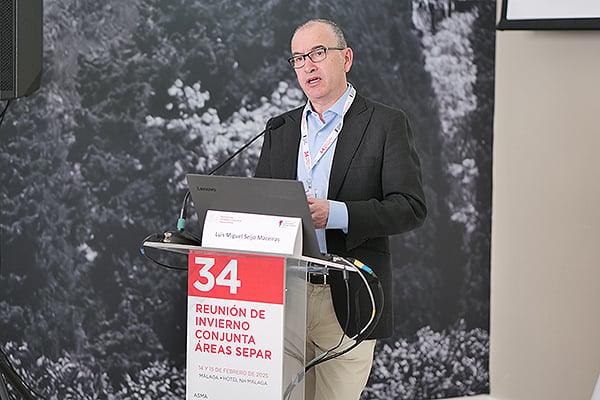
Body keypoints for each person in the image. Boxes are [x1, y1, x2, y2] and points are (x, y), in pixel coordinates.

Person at [255, 19, 427, 400]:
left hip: (347, 298)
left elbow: (410, 207)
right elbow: (261, 207)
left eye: (319, 53)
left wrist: (336, 214)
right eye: (299, 58)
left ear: (345, 58)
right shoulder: (279, 129)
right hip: (284, 297)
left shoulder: (385, 123)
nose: (309, 65)